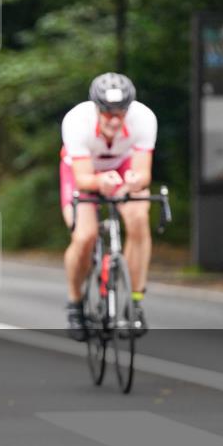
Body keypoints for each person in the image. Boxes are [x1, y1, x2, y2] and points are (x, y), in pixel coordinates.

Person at [59, 73, 157, 341]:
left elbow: (143, 173)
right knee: (84, 236)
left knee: (138, 217)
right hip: (83, 173)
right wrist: (100, 182)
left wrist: (135, 182)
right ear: (96, 108)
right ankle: (75, 303)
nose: (114, 119)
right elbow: (82, 178)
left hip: (122, 167)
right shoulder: (77, 121)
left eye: (121, 112)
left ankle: (135, 303)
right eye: (108, 113)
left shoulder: (144, 118)